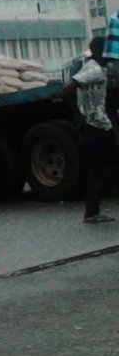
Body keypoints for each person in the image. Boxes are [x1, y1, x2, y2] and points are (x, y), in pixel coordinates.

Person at [63, 36, 116, 224]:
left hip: (101, 124)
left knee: (105, 167)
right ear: (100, 51)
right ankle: (92, 212)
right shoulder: (94, 70)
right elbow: (69, 89)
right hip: (95, 126)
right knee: (98, 169)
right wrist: (79, 117)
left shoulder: (97, 68)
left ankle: (94, 210)